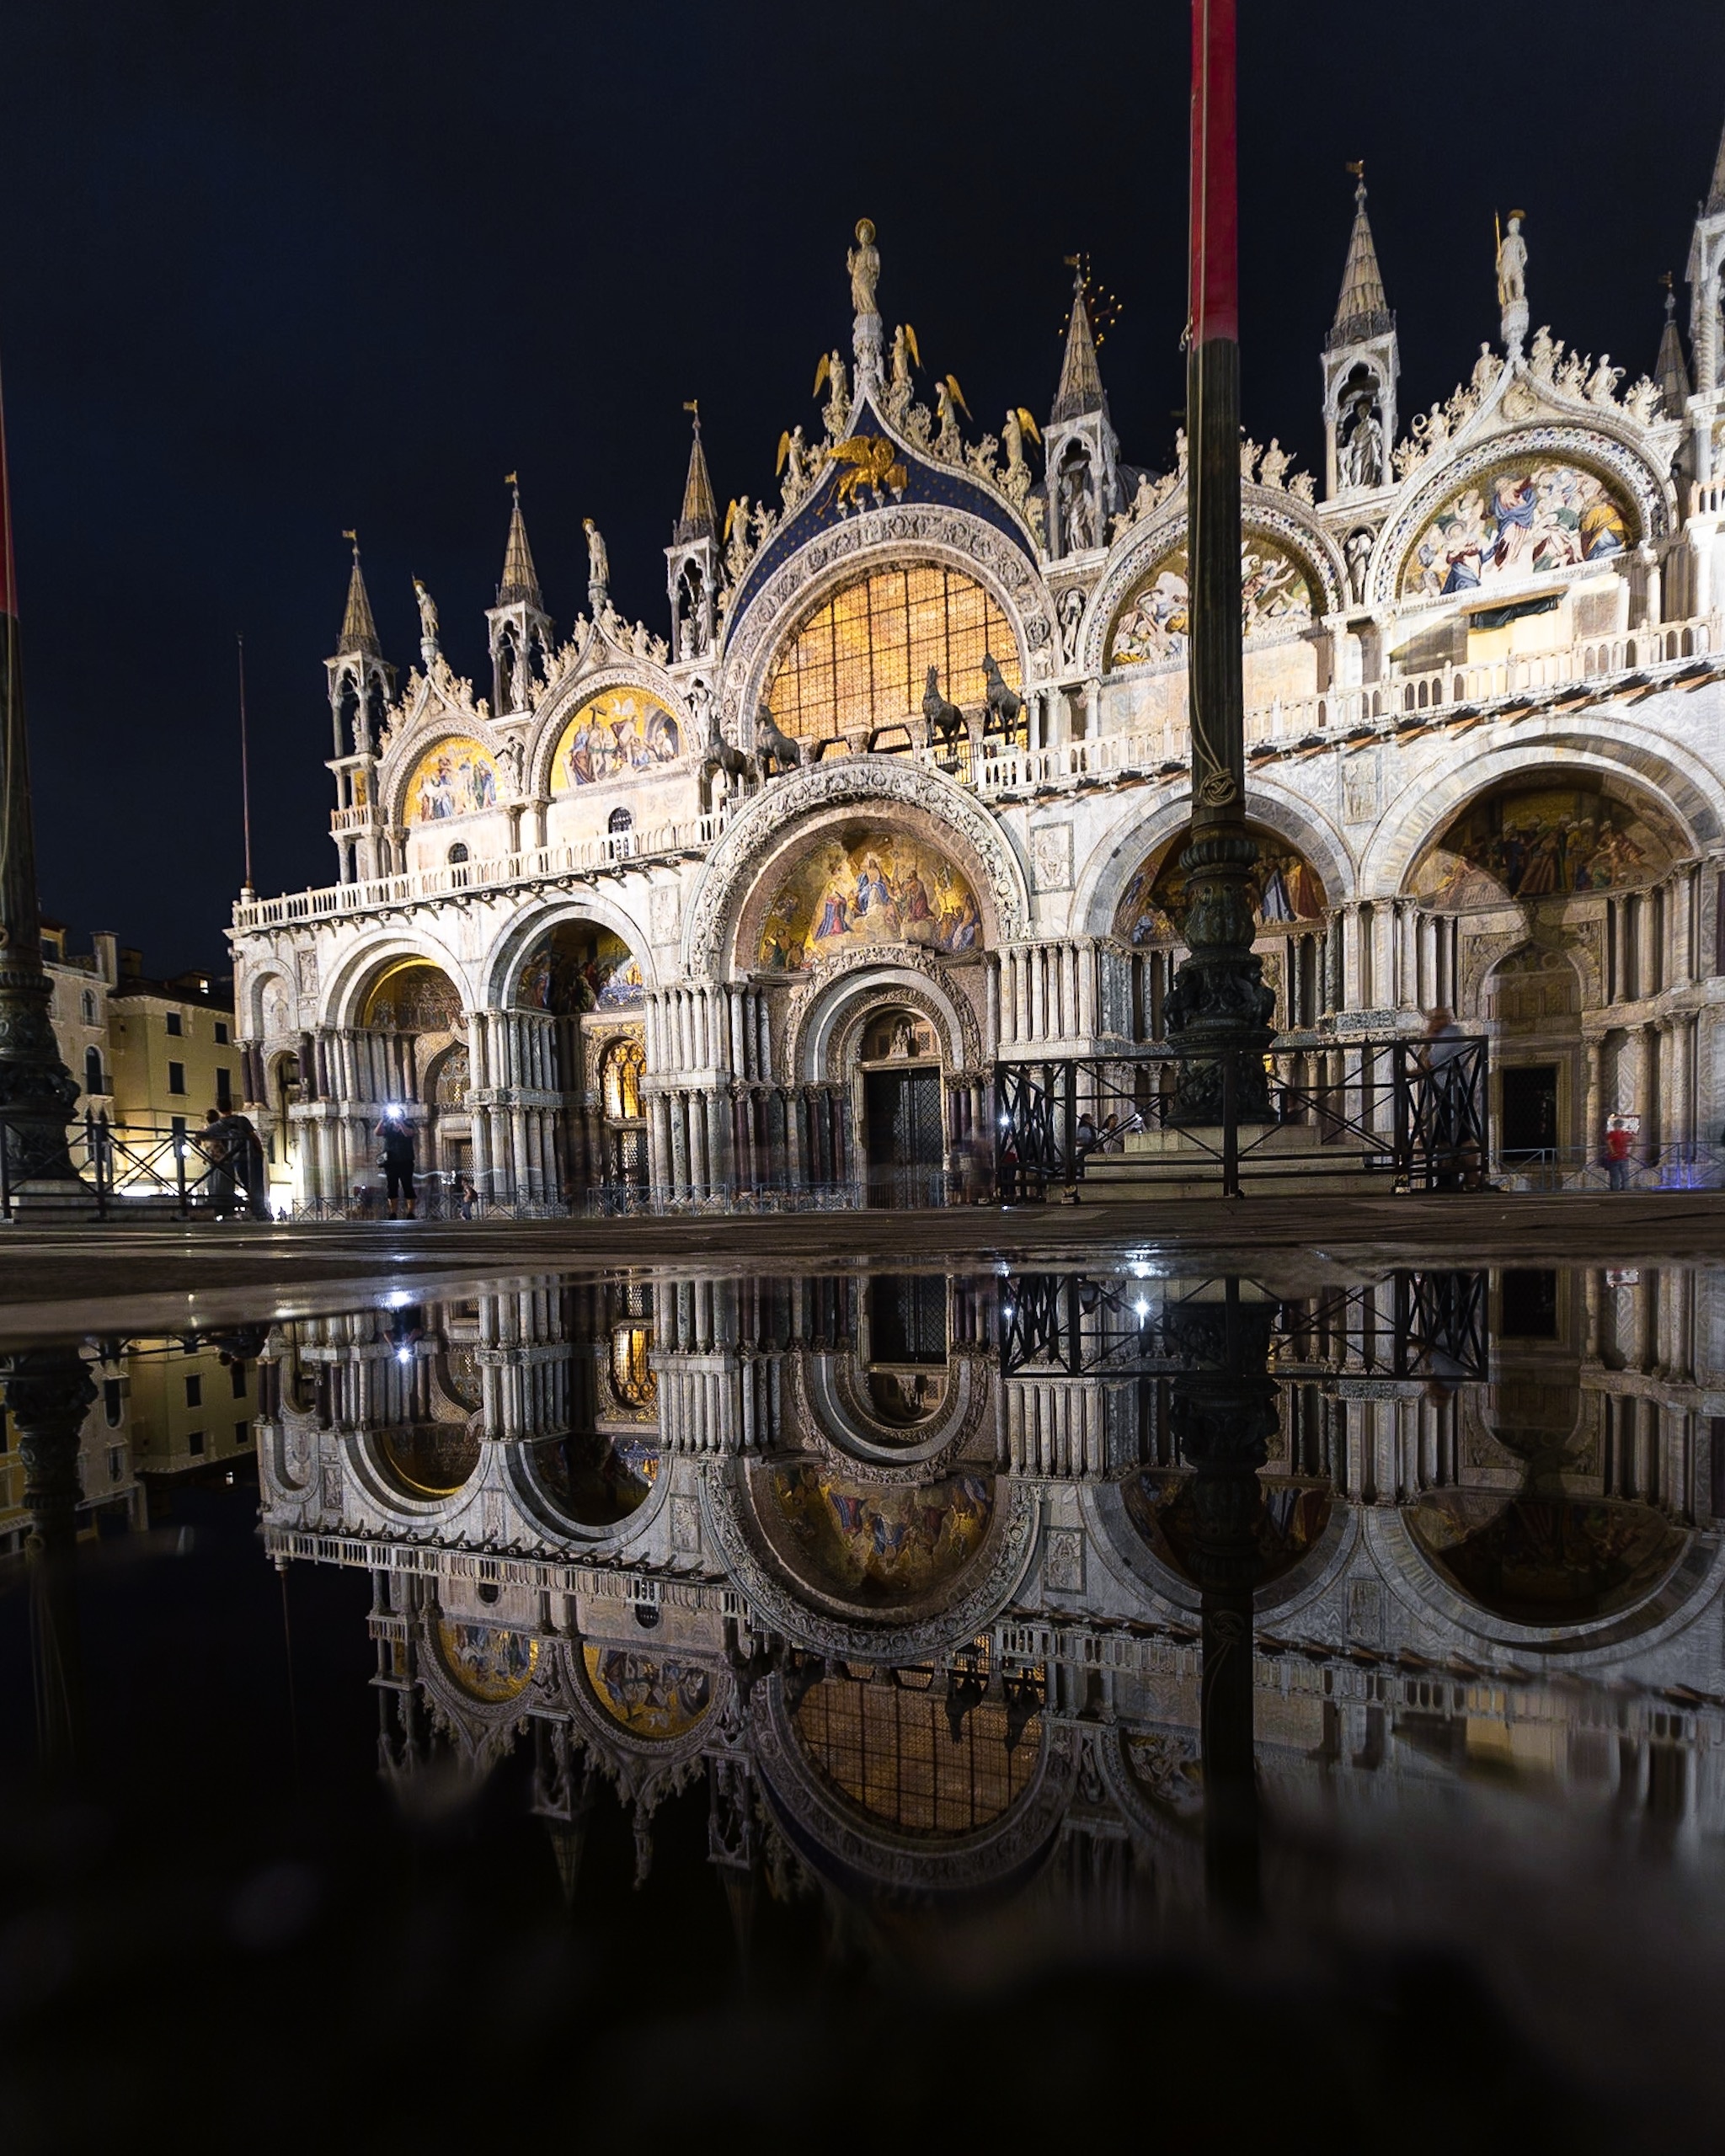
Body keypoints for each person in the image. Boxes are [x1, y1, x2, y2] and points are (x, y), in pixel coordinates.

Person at [376, 1110, 417, 1219]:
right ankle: (393, 1212)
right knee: (392, 1187)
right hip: (391, 1162)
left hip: (405, 1161)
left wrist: (401, 1123)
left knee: (408, 1186)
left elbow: (409, 1133)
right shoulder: (388, 1127)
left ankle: (410, 1212)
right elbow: (377, 1132)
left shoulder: (408, 1124)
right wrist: (382, 1119)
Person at [200, 1108, 236, 1218]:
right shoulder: (223, 1128)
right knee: (225, 1187)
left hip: (213, 1162)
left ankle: (217, 1210)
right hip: (225, 1161)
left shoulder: (207, 1130)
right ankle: (227, 1211)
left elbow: (199, 1141)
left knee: (214, 1187)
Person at [1605, 1116, 1633, 1192]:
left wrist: (1612, 1152)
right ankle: (1626, 1188)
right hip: (1624, 1156)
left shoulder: (1613, 1134)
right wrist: (1632, 1152)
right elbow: (1634, 1140)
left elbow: (1608, 1142)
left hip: (1615, 1157)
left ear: (1615, 1125)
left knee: (1615, 1175)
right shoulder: (1626, 1134)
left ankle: (1615, 1189)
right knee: (1625, 1174)